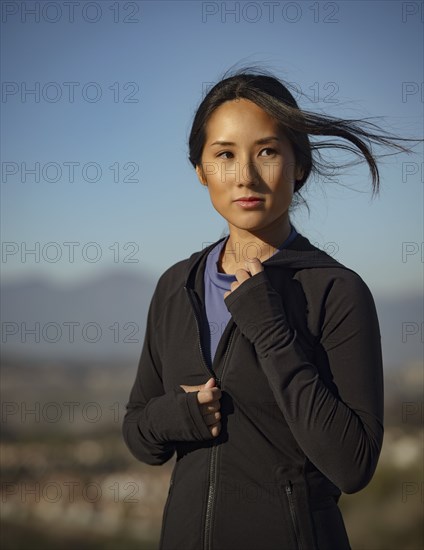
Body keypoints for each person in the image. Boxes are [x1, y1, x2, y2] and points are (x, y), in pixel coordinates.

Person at [122, 69, 413, 550]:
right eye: (225, 155)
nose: (246, 176)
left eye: (268, 151)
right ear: (200, 171)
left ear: (299, 164)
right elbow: (137, 432)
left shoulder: (337, 291)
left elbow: (353, 464)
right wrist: (179, 416)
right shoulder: (176, 286)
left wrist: (271, 330)